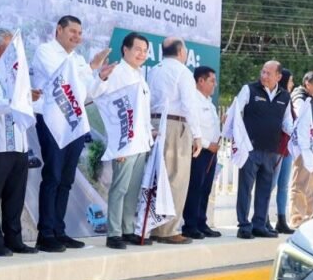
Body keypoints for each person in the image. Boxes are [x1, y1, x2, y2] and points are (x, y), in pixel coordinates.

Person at [31, 16, 113, 253]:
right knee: (53, 176)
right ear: (59, 29)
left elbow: (87, 93)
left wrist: (101, 76)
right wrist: (90, 68)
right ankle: (45, 234)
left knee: (67, 179)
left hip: (75, 123)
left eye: (80, 33)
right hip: (52, 120)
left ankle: (59, 230)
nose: (77, 37)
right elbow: (62, 79)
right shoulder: (45, 51)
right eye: (73, 31)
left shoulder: (77, 59)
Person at [91, 32, 153, 250]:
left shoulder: (140, 75)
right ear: (125, 49)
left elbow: (142, 111)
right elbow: (96, 93)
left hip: (141, 142)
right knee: (120, 188)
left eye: (145, 51)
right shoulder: (117, 72)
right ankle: (114, 233)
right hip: (124, 142)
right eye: (138, 49)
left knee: (133, 189)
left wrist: (150, 132)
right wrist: (101, 77)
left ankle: (128, 230)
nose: (142, 54)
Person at [0, 28, 37, 257]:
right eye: (8, 47)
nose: (13, 52)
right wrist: (18, 100)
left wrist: (28, 96)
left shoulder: (15, 71)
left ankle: (14, 239)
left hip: (19, 144)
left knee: (16, 195)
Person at [147, 37, 200, 245]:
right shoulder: (182, 71)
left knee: (156, 178)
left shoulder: (154, 70)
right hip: (175, 124)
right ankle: (168, 230)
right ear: (180, 52)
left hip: (154, 123)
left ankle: (154, 227)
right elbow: (189, 105)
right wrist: (197, 134)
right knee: (176, 179)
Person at [234, 60, 293, 239]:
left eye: (269, 73)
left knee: (265, 189)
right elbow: (235, 113)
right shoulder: (249, 90)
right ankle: (244, 226)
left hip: (272, 150)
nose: (264, 76)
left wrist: (299, 134)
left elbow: (287, 123)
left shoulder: (285, 96)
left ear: (278, 76)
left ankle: (259, 224)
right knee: (245, 188)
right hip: (250, 149)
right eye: (263, 72)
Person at [181, 66, 222, 239]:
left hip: (211, 153)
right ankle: (190, 225)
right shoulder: (193, 101)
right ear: (200, 81)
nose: (215, 84)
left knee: (205, 189)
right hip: (199, 151)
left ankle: (201, 223)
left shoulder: (209, 103)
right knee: (195, 188)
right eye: (212, 80)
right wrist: (206, 144)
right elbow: (192, 128)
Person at [289, 71, 313, 228]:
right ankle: (297, 219)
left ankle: (308, 219)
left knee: (311, 189)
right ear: (307, 84)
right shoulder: (300, 98)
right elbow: (301, 122)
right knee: (300, 186)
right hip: (304, 150)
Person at [270, 68, 296, 234]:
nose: (292, 84)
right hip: (277, 148)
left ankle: (281, 219)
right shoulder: (277, 98)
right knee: (271, 183)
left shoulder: (289, 100)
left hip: (287, 148)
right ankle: (263, 217)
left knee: (284, 185)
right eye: (291, 80)